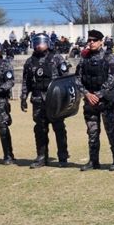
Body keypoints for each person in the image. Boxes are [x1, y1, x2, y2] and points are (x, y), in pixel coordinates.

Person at [21, 33, 70, 168]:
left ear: (48, 43)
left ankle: (63, 157)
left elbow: (66, 78)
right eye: (36, 42)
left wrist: (65, 98)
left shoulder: (57, 58)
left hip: (55, 100)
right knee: (40, 129)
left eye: (41, 42)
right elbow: (26, 82)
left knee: (59, 128)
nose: (39, 45)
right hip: (37, 100)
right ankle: (42, 156)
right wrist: (23, 98)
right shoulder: (29, 62)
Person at [75, 30, 114, 171]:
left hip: (106, 101)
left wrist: (98, 94)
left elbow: (112, 79)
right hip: (90, 101)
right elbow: (77, 79)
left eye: (94, 40)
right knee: (92, 132)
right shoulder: (84, 59)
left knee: (111, 131)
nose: (91, 42)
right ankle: (93, 161)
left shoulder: (109, 58)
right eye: (89, 40)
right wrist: (87, 94)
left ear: (101, 41)